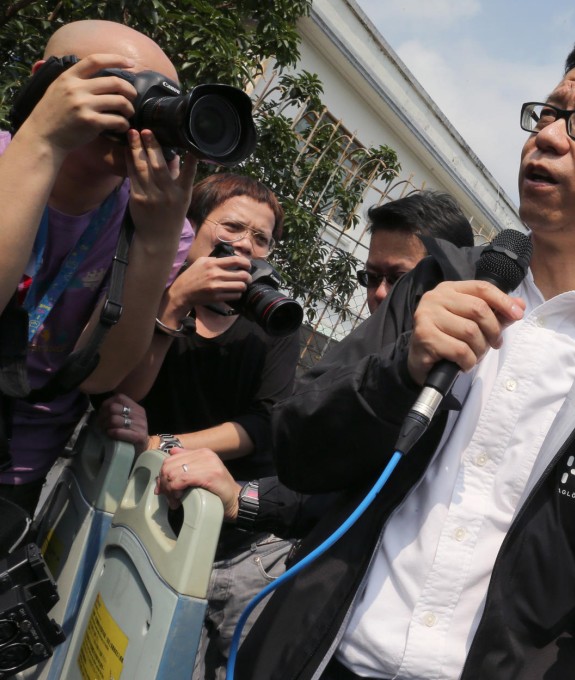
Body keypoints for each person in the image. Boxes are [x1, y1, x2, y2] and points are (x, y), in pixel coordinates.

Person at [234, 36, 575, 680]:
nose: (548, 136)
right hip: (320, 660)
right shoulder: (442, 282)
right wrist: (401, 371)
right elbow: (300, 450)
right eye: (548, 113)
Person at [148, 190, 474, 677]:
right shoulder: (367, 359)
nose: (381, 295)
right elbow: (303, 453)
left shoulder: (491, 373)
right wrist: (243, 498)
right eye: (371, 278)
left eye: (400, 279)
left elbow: (265, 427)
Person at [93, 172, 298, 680]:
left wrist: (161, 444)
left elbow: (266, 421)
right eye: (232, 227)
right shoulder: (150, 289)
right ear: (192, 226)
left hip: (219, 533)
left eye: (261, 239)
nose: (245, 246)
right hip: (128, 504)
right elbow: (120, 387)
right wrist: (175, 302)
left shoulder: (272, 322)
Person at [0, 20, 197, 514]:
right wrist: (42, 138)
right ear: (46, 80)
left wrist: (155, 241)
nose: (137, 116)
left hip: (16, 477)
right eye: (122, 86)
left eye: (160, 101)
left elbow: (99, 374)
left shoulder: (158, 221)